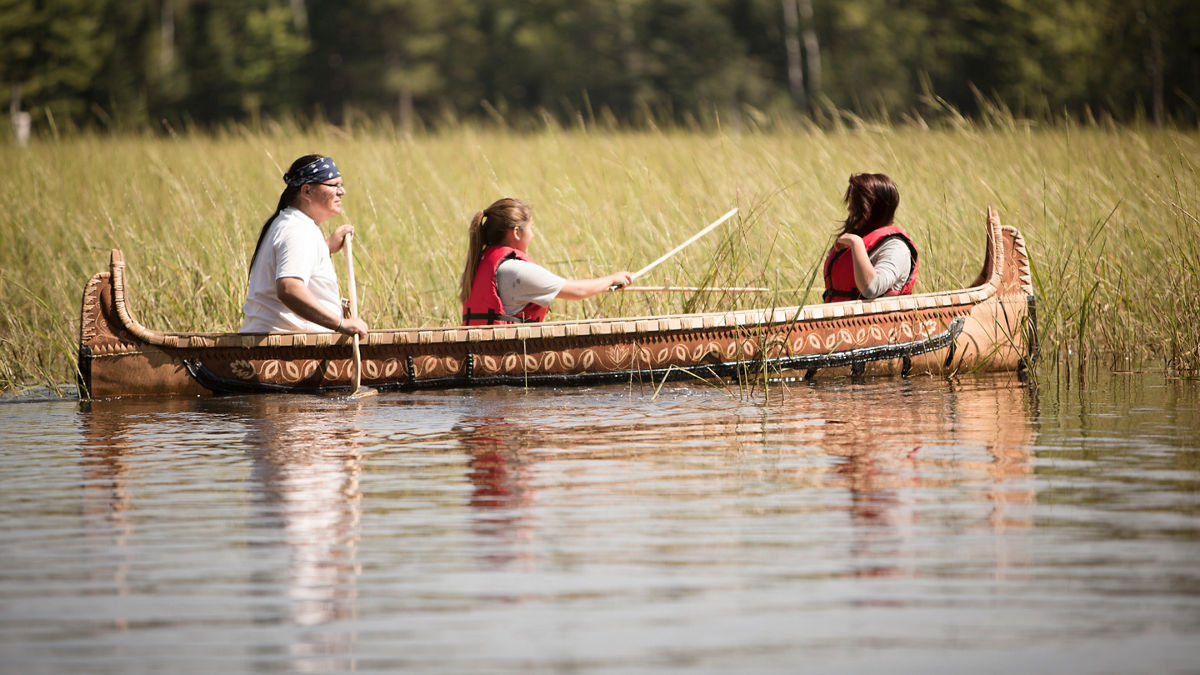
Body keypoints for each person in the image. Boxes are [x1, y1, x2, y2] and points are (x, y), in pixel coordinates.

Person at [240, 154, 369, 337]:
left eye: (341, 185)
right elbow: (289, 288)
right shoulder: (298, 230)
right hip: (283, 349)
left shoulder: (292, 223)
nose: (342, 192)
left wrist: (326, 248)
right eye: (334, 186)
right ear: (307, 191)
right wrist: (341, 324)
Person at [459, 198, 633, 325]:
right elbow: (578, 291)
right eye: (530, 229)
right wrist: (611, 279)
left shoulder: (480, 262)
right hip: (504, 359)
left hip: (477, 355)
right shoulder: (516, 271)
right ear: (517, 233)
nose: (532, 235)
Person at [822, 173, 919, 303]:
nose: (849, 209)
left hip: (881, 323)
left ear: (873, 209)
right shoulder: (859, 239)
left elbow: (871, 289)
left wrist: (856, 243)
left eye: (855, 204)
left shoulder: (896, 247)